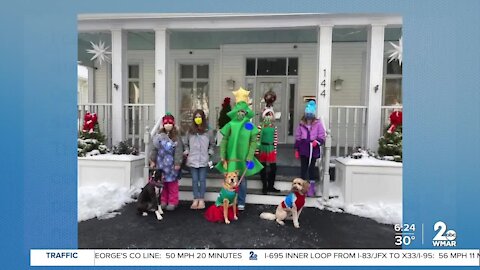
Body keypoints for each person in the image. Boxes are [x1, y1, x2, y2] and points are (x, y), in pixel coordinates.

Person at [215, 87, 263, 211]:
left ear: (246, 112)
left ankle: (241, 201)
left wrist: (250, 156)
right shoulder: (230, 125)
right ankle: (228, 200)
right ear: (236, 112)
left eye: (243, 111)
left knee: (242, 179)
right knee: (229, 179)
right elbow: (224, 141)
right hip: (231, 157)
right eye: (239, 111)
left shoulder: (249, 125)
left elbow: (254, 142)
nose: (241, 113)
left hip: (243, 157)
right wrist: (222, 155)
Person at [149, 112, 184, 211]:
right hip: (161, 164)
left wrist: (177, 163)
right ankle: (163, 200)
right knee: (163, 184)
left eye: (170, 122)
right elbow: (154, 149)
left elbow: (178, 151)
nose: (168, 125)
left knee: (172, 184)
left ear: (173, 124)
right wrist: (152, 160)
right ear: (163, 124)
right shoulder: (159, 136)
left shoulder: (176, 136)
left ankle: (173, 201)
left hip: (171, 165)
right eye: (166, 123)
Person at [183, 109, 215, 210]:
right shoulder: (190, 131)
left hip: (203, 160)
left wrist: (210, 153)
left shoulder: (208, 131)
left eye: (199, 117)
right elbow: (186, 143)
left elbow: (212, 144)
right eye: (196, 117)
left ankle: (201, 199)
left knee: (202, 180)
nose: (198, 119)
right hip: (193, 159)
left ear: (203, 118)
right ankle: (195, 198)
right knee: (195, 180)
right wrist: (187, 151)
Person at [294, 100, 326, 197]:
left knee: (311, 168)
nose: (309, 116)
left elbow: (322, 136)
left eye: (310, 114)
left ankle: (311, 187)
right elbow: (298, 137)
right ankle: (302, 188)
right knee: (303, 168)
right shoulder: (301, 124)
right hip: (304, 148)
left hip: (313, 148)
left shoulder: (318, 124)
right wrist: (297, 149)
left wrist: (318, 141)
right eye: (307, 113)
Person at [256, 107, 279, 194]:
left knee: (273, 168)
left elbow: (275, 139)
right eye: (267, 115)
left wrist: (275, 150)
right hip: (263, 148)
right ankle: (264, 186)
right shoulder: (260, 127)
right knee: (263, 167)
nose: (268, 116)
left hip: (271, 148)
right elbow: (257, 139)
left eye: (270, 115)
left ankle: (271, 185)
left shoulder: (274, 127)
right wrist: (257, 151)